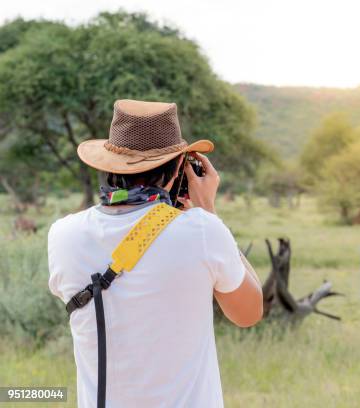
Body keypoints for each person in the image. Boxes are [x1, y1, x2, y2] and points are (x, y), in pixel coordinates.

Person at [48, 99, 263, 407]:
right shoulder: (203, 231)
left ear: (108, 164)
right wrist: (209, 211)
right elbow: (249, 313)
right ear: (180, 168)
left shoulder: (62, 235)